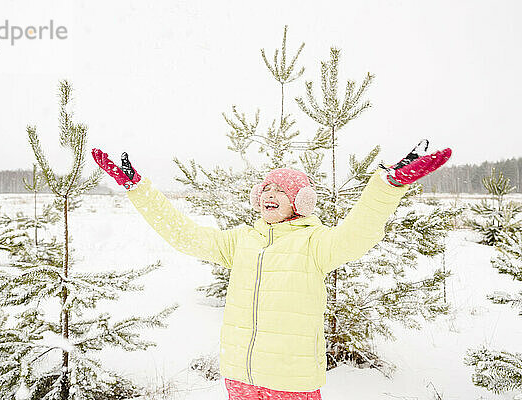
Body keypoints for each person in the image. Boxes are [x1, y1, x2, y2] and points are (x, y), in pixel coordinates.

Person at [91, 140, 451, 400]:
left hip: (290, 381)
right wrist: (138, 190)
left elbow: (359, 234)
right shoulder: (242, 241)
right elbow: (185, 236)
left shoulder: (316, 244)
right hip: (239, 376)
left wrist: (388, 188)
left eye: (282, 189)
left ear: (301, 201)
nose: (271, 193)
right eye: (267, 188)